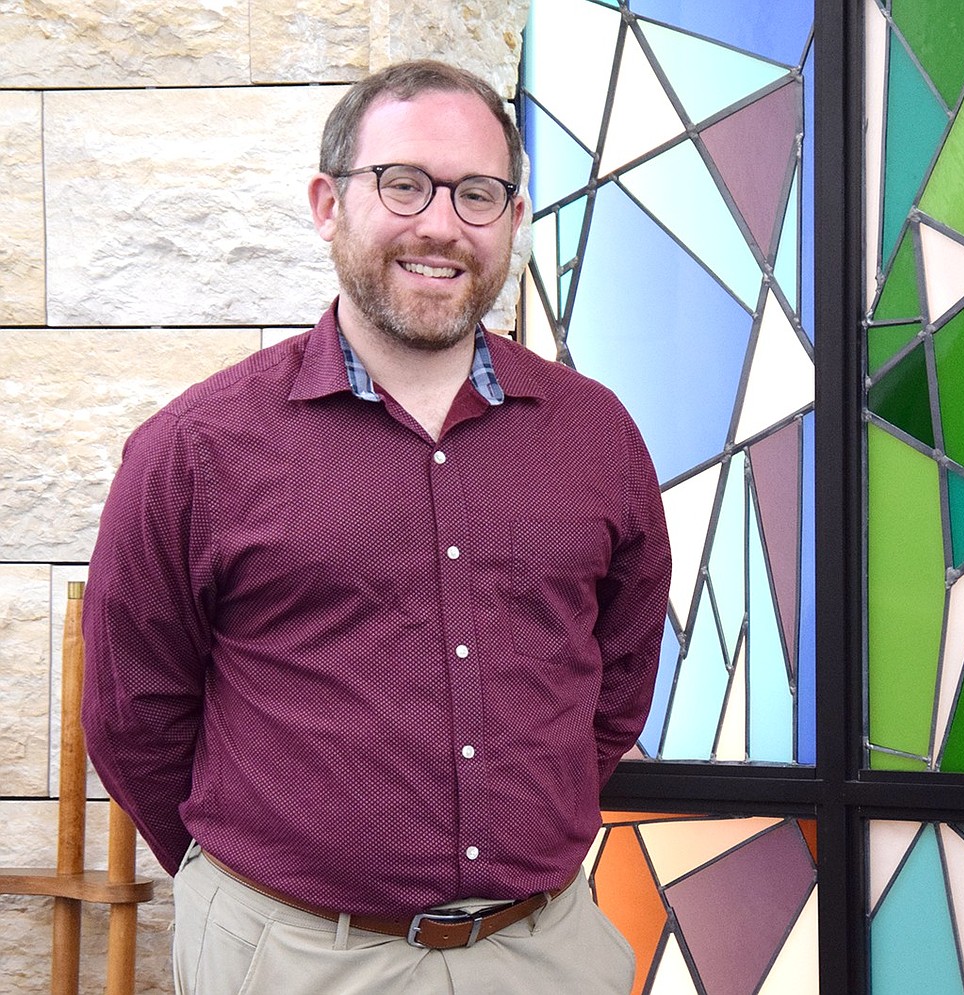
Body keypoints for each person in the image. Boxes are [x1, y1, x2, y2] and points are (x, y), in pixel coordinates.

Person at [82, 59, 671, 995]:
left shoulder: (594, 435)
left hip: (545, 954)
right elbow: (132, 714)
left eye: (478, 194)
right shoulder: (196, 449)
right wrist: (262, 886)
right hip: (289, 959)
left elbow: (621, 668)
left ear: (514, 220)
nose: (441, 224)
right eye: (403, 184)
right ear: (328, 203)